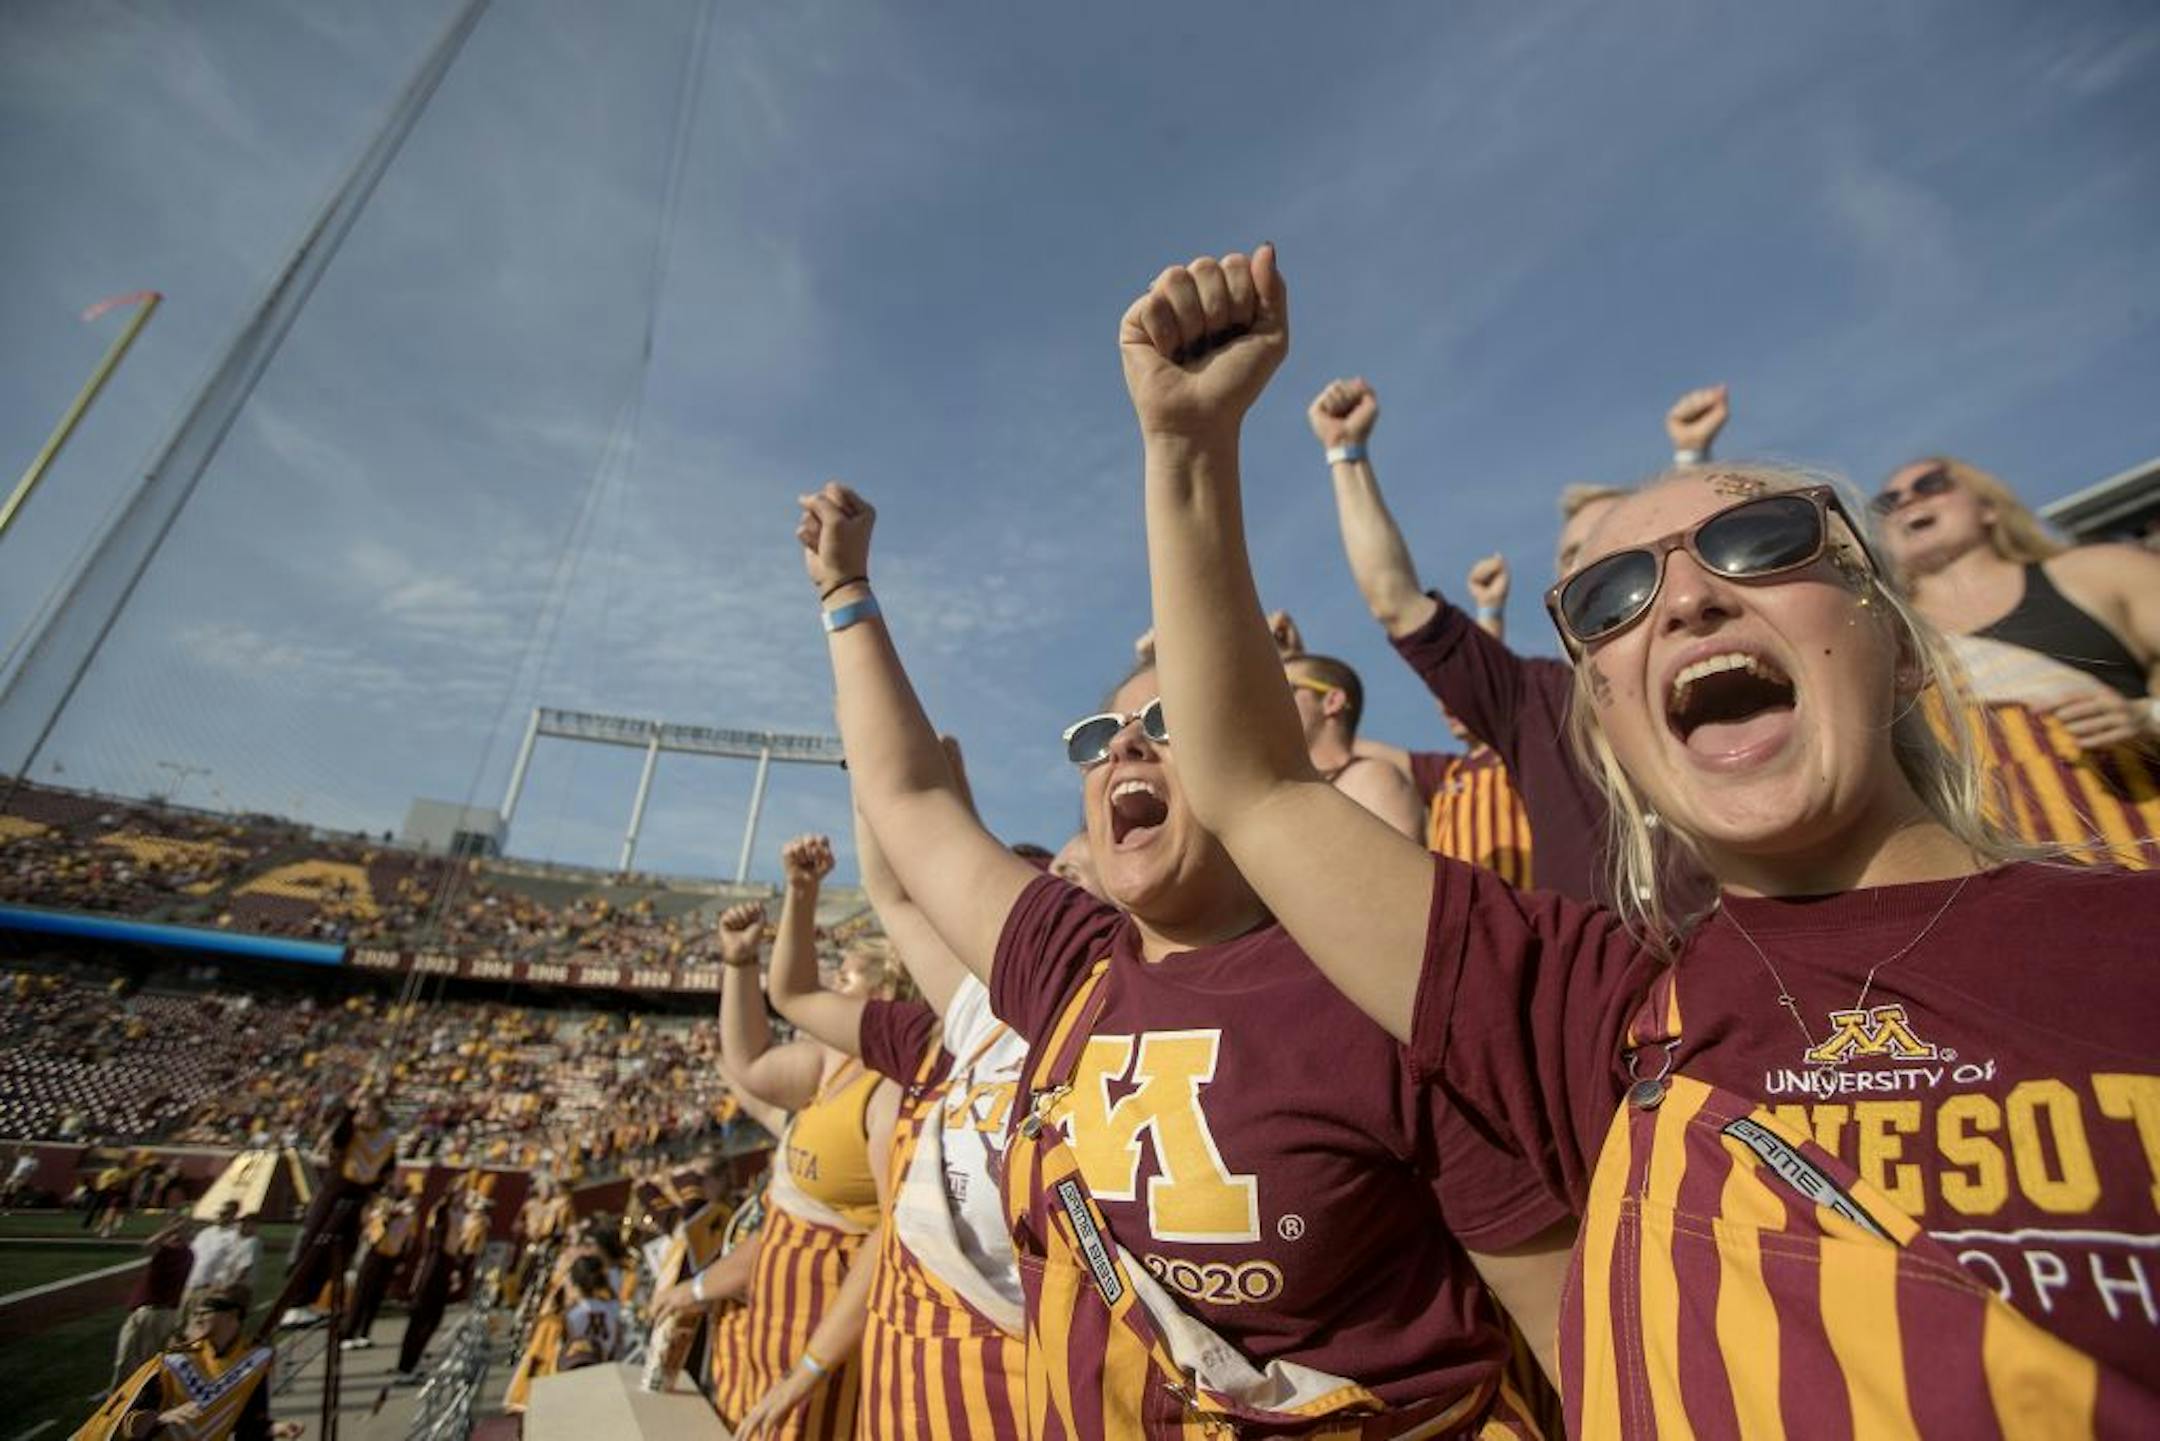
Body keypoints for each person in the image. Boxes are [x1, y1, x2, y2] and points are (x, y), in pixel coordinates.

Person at [1123, 242, 2160, 1434]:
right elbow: (1254, 786)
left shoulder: (2133, 944)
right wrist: (1187, 447)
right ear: (1606, 727)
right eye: (1613, 597)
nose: (1685, 598)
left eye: (1761, 541)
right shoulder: (1592, 1022)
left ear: (1907, 645)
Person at [800, 473, 1560, 1434]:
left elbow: (1567, 1324)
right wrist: (845, 594)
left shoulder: (1380, 977)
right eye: (1099, 738)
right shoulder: (1067, 963)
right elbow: (911, 800)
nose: (1124, 753)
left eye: (1166, 725)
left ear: (1254, 758)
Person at [767, 795, 1031, 1438]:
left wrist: (809, 1362)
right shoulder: (925, 1039)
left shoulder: (1091, 1036)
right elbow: (796, 993)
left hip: (1009, 1394)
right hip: (897, 1381)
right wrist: (874, 777)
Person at [1877, 455, 2160, 865]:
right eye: (1887, 502)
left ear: (1989, 506)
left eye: (1932, 484)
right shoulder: (1879, 638)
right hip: (2003, 882)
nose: (1905, 502)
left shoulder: (2097, 572)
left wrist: (2145, 718)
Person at [716, 894, 900, 1440]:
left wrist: (812, 1366)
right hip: (776, 1318)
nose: (828, 994)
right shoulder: (830, 1061)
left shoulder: (889, 1089)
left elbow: (888, 1239)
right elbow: (749, 1064)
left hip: (826, 1329)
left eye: (843, 980)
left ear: (883, 992)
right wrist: (739, 964)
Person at [77, 1286, 300, 1441]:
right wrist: (161, 1417)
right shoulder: (171, 1362)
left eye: (207, 1311)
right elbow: (129, 1423)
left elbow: (248, 1424)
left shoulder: (254, 1363)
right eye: (196, 1313)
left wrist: (275, 1428)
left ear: (233, 1315)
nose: (199, 1317)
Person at [278, 1089, 395, 1329]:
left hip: (360, 1195)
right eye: (361, 1110)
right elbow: (338, 1138)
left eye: (369, 1111)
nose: (365, 1115)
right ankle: (293, 1302)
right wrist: (351, 1110)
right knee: (315, 1240)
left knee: (343, 1248)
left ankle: (312, 1298)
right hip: (337, 1189)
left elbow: (387, 1170)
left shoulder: (387, 1139)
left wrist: (377, 1194)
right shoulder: (350, 1131)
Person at [1283, 652, 1425, 838]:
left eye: (1284, 689)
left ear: (1332, 701)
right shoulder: (1285, 789)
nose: (1272, 702)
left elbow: (1399, 866)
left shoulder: (1373, 778)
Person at [105, 1216, 194, 1398]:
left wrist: (169, 1230)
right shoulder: (180, 1253)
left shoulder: (179, 1253)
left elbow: (147, 1246)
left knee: (137, 1362)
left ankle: (129, 1400)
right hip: (153, 1312)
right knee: (127, 1359)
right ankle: (127, 1396)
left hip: (156, 1314)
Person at [340, 1190, 418, 1350]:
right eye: (410, 1201)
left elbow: (408, 1240)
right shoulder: (383, 1210)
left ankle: (364, 1333)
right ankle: (347, 1334)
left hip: (391, 1258)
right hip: (374, 1255)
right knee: (361, 1296)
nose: (412, 1204)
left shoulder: (410, 1217)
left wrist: (402, 1259)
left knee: (375, 1297)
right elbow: (376, 1227)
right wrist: (395, 1212)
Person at [184, 1201, 244, 1313]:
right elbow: (191, 1255)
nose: (220, 1216)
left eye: (225, 1213)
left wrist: (218, 1287)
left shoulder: (235, 1236)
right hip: (190, 1285)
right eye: (219, 1213)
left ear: (234, 1214)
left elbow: (232, 1264)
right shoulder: (206, 1233)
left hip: (210, 1288)